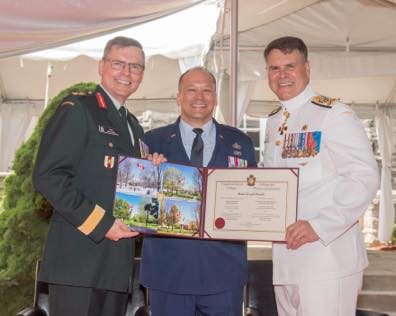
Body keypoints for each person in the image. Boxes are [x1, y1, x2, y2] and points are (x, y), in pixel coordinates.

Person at [33, 36, 155, 316]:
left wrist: (152, 171)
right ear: (101, 66)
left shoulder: (133, 126)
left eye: (135, 67)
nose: (127, 73)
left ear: (142, 75)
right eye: (119, 63)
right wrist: (102, 225)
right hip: (79, 263)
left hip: (116, 267)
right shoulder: (78, 109)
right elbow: (48, 176)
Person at [261, 36, 379, 316]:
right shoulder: (275, 121)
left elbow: (364, 177)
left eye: (290, 66)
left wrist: (320, 225)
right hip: (285, 260)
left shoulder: (334, 114)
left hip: (327, 258)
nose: (282, 76)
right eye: (274, 69)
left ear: (308, 68)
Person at [139, 66, 257, 316]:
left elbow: (252, 203)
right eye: (191, 90)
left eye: (207, 91)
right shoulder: (151, 142)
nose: (199, 97)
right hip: (168, 271)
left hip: (224, 272)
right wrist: (150, 175)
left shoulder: (241, 143)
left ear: (215, 97)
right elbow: (140, 206)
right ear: (179, 97)